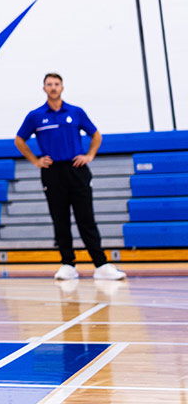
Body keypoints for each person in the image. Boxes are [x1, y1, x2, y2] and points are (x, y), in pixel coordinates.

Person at [14, 73, 126, 281]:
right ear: (44, 88)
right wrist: (36, 161)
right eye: (49, 84)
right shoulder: (36, 116)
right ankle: (68, 264)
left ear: (62, 87)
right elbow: (19, 140)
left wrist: (89, 155)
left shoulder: (76, 112)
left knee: (86, 219)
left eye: (56, 84)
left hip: (76, 169)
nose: (53, 87)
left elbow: (96, 135)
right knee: (60, 220)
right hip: (52, 172)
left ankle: (101, 265)